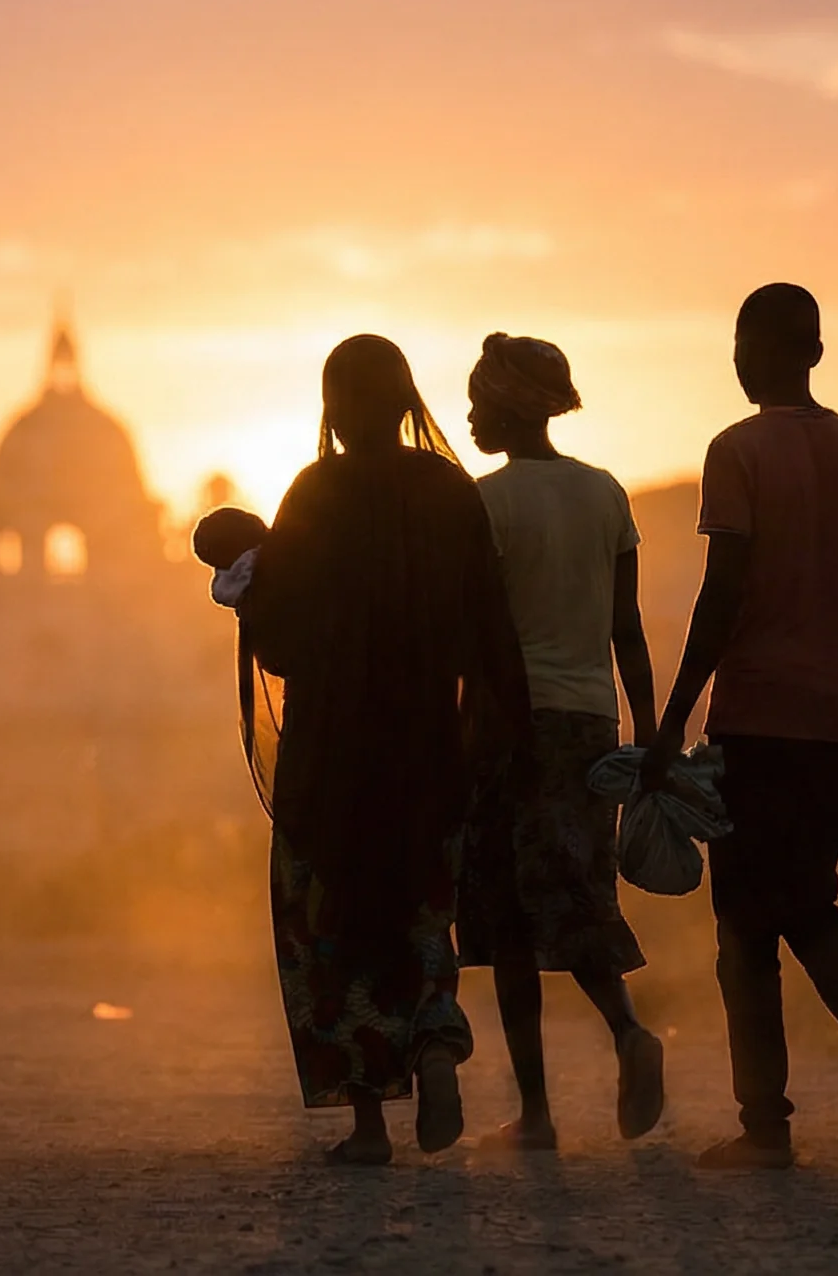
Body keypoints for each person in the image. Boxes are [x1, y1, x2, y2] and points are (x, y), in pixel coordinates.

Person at [640, 283, 838, 1170]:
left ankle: (793, 1106)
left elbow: (721, 592)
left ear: (767, 352)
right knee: (801, 893)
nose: (734, 356)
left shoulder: (736, 451)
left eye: (739, 340)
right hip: (837, 722)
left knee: (748, 920)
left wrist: (673, 714)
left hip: (757, 715)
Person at [236, 334, 529, 1166]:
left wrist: (249, 588)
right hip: (427, 754)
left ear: (331, 407)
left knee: (331, 934)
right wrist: (497, 741)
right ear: (406, 404)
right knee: (422, 912)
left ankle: (368, 1126)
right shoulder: (448, 493)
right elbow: (489, 631)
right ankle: (435, 1047)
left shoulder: (312, 495)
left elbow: (283, 643)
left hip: (330, 762)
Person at [457, 333, 666, 1150]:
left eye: (478, 401)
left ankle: (542, 1111)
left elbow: (478, 640)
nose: (469, 415)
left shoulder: (487, 502)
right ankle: (625, 1033)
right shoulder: (606, 494)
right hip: (590, 722)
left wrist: (464, 733)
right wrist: (649, 730)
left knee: (510, 918)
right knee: (578, 887)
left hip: (513, 726)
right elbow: (628, 629)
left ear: (505, 407)